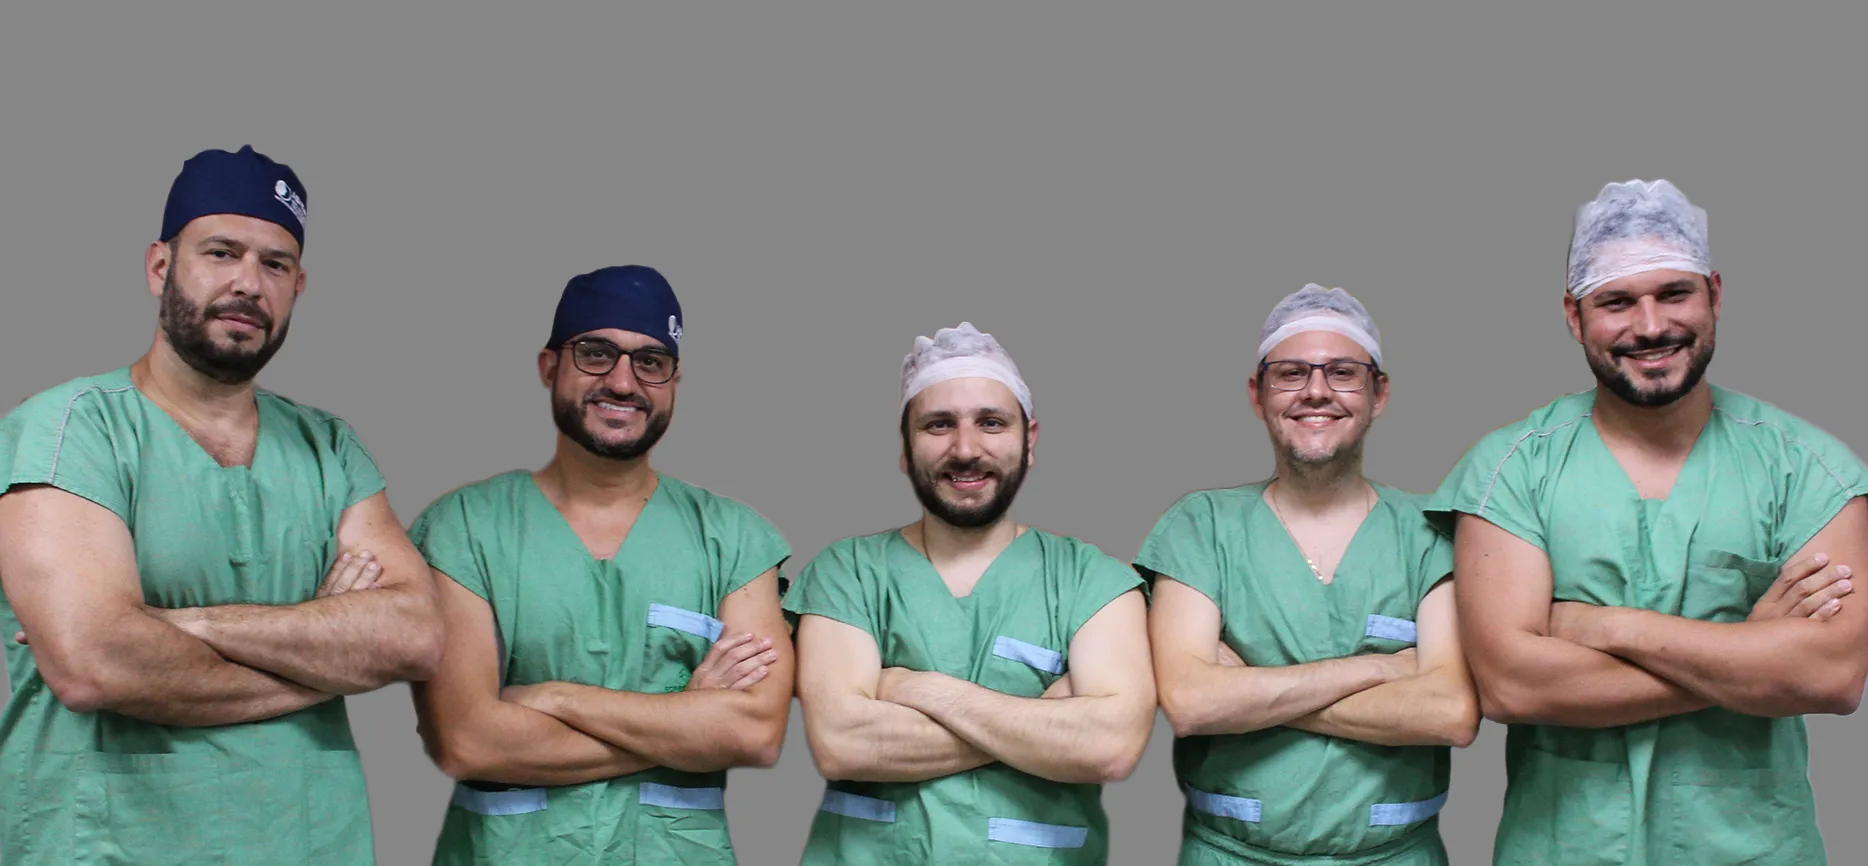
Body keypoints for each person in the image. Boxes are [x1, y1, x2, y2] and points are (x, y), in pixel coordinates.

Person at [0, 145, 445, 864]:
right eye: (221, 253)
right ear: (160, 267)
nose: (248, 283)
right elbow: (94, 665)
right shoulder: (70, 430)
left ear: (298, 286)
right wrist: (328, 652)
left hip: (308, 844)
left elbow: (416, 636)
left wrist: (175, 624)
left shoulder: (329, 448)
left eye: (275, 264)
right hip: (113, 844)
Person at [1427, 179, 1868, 865]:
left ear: (1714, 295)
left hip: (1755, 850)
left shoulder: (1808, 470)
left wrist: (1606, 627)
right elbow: (1512, 685)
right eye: (1616, 302)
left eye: (1674, 293)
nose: (1651, 326)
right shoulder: (1512, 470)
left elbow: (1832, 676)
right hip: (1563, 850)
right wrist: (1749, 653)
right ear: (1574, 316)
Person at [406, 265, 794, 865]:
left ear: (674, 382)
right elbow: (467, 741)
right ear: (549, 367)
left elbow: (756, 734)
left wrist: (556, 698)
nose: (622, 381)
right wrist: (686, 719)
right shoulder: (466, 529)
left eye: (651, 362)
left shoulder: (733, 539)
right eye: (595, 353)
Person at [783, 322, 1156, 864]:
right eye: (938, 424)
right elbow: (843, 743)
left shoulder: (1093, 582)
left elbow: (1109, 747)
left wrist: (915, 687)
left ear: (1029, 440)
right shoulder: (848, 573)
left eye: (991, 422)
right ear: (905, 447)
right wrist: (1039, 724)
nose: (965, 448)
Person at [1134, 285, 1479, 865]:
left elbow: (1450, 712)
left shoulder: (1428, 535)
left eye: (1342, 373)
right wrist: (1381, 668)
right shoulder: (1202, 526)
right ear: (1258, 394)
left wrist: (1252, 690)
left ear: (1379, 393)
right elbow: (1192, 703)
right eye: (1291, 373)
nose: (1316, 391)